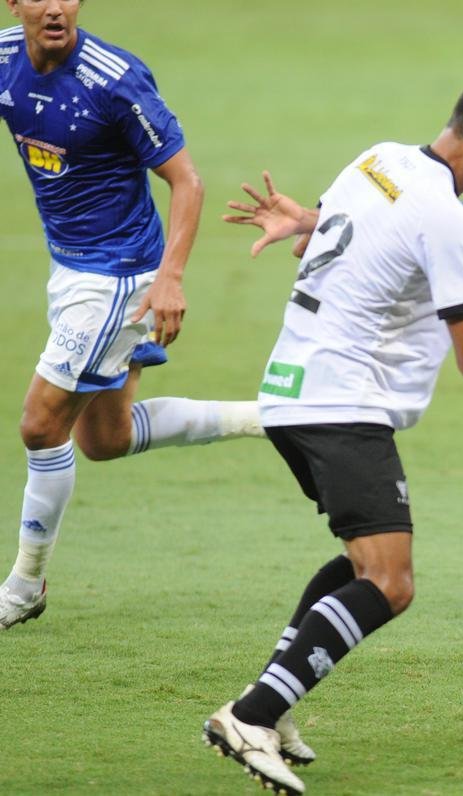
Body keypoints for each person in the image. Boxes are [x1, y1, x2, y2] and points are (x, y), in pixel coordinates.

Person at [201, 72, 463, 796]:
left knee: (362, 561)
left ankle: (272, 707)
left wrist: (307, 220)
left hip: (292, 389)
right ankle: (251, 715)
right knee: (390, 584)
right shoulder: (449, 220)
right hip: (344, 403)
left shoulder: (379, 159)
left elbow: (356, 228)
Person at [0, 0, 263, 630]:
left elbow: (188, 181)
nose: (57, 7)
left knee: (40, 427)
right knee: (104, 440)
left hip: (120, 276)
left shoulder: (114, 79)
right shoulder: (6, 58)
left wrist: (171, 278)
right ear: (15, 3)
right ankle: (271, 416)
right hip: (71, 268)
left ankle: (22, 587)